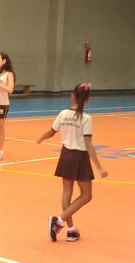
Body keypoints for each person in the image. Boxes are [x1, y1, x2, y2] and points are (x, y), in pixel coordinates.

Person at [37, 83, 107, 242]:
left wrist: (41, 137)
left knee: (67, 192)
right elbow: (88, 144)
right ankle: (59, 221)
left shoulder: (63, 113)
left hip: (65, 155)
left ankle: (71, 230)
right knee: (87, 195)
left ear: (72, 95)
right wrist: (99, 167)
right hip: (79, 157)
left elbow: (52, 131)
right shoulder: (86, 118)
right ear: (87, 100)